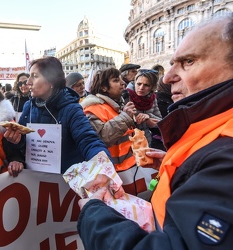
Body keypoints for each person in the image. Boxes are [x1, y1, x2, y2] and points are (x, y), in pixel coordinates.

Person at [77, 15, 233, 249]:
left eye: (188, 61)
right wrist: (183, 172)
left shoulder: (226, 154)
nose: (168, 78)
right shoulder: (213, 129)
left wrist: (94, 216)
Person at [4, 56, 111, 174]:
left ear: (51, 81)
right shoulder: (29, 107)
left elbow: (89, 140)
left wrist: (104, 167)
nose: (28, 82)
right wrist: (16, 144)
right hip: (36, 181)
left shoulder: (71, 109)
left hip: (65, 184)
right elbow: (23, 144)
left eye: (35, 76)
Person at [81, 68, 157, 197]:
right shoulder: (92, 108)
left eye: (122, 79)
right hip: (113, 175)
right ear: (104, 87)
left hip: (128, 171)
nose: (123, 83)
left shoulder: (115, 105)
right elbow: (101, 138)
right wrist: (125, 117)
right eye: (116, 80)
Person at [127, 69, 162, 147]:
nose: (141, 87)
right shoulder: (125, 96)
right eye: (139, 84)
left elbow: (160, 121)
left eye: (146, 85)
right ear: (134, 82)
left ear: (152, 87)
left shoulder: (152, 98)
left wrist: (148, 117)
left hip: (146, 141)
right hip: (129, 142)